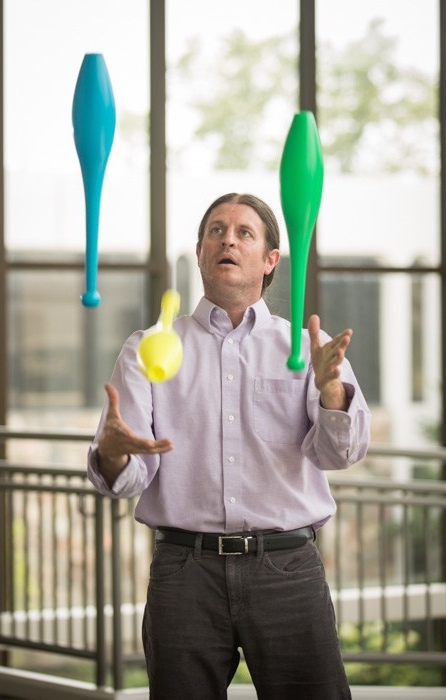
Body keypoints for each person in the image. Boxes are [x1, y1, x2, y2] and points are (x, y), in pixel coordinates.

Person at [87, 192, 371, 700]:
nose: (228, 241)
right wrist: (113, 452)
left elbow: (340, 455)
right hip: (184, 573)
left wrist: (332, 393)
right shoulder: (148, 348)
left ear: (270, 260)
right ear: (199, 252)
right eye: (216, 231)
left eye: (244, 233)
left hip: (287, 568)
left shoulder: (308, 348)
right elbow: (127, 478)